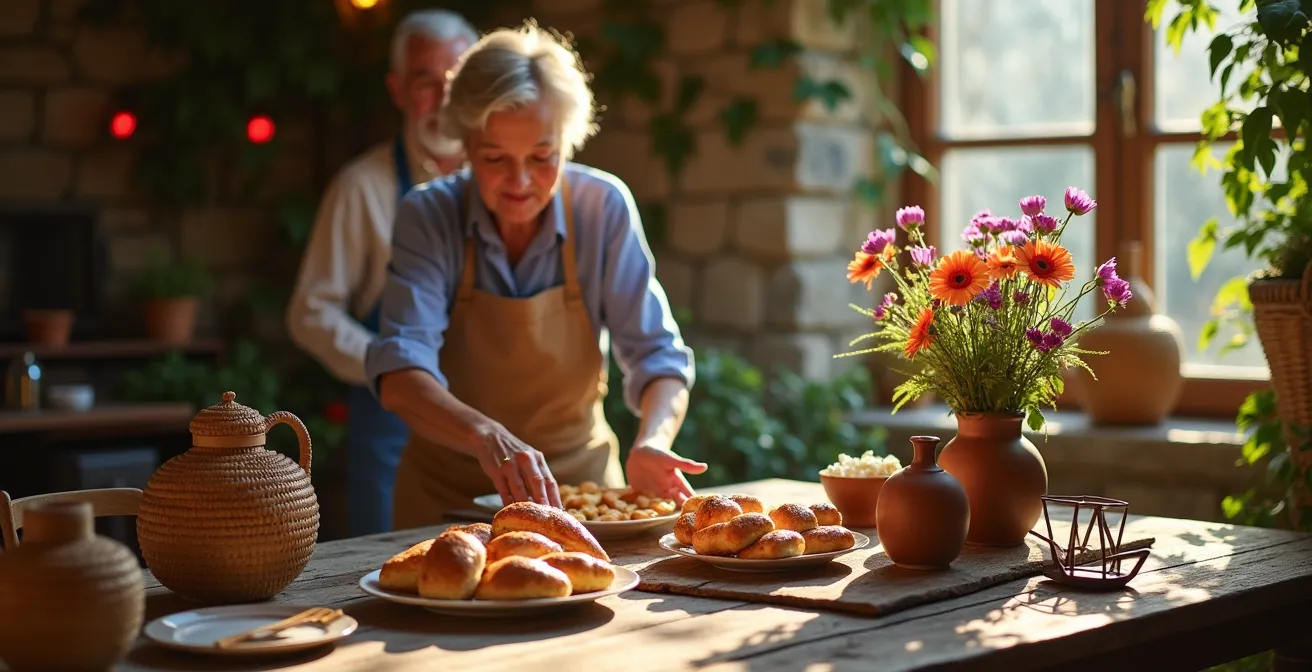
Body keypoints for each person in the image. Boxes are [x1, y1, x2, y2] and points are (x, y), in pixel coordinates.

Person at [364, 21, 703, 530]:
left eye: (542, 157)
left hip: (583, 498)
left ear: (567, 142)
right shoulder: (429, 215)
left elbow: (659, 357)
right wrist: (485, 435)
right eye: (495, 158)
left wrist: (653, 440)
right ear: (465, 147)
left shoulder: (603, 207)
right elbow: (399, 374)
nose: (520, 182)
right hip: (445, 504)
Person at [286, 9, 478, 538]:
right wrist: (388, 368)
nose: (442, 97)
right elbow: (311, 312)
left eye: (457, 80)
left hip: (492, 429)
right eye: (425, 82)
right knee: (386, 580)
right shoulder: (361, 187)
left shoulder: (507, 186)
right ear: (397, 90)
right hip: (395, 434)